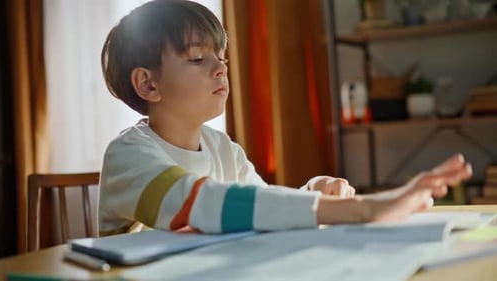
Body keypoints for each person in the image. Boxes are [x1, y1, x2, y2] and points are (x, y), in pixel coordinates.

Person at [98, 0, 472, 236]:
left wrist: (310, 192)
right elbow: (203, 205)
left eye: (222, 57)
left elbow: (260, 204)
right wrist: (363, 208)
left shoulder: (222, 148)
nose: (221, 68)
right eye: (198, 58)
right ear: (147, 84)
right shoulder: (127, 156)